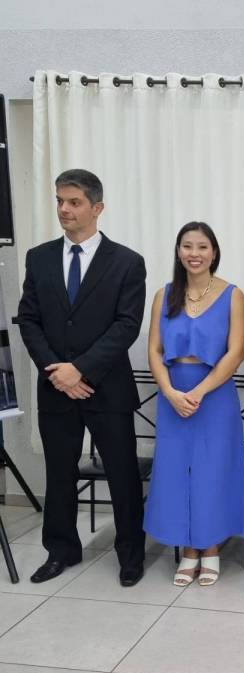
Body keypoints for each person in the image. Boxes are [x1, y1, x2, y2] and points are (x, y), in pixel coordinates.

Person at [17, 169, 146, 586]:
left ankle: (131, 555)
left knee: (123, 475)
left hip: (107, 388)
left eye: (73, 202)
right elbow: (29, 320)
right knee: (59, 475)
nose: (64, 209)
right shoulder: (38, 258)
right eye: (59, 200)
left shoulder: (126, 262)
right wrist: (58, 372)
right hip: (56, 387)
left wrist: (80, 369)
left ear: (97, 207)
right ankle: (61, 551)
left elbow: (126, 326)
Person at [143, 222, 244, 586]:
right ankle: (188, 549)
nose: (194, 253)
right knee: (176, 472)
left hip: (214, 395)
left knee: (212, 470)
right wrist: (170, 392)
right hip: (172, 394)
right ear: (178, 252)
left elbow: (235, 353)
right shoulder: (164, 295)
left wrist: (200, 391)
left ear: (214, 252)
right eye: (187, 246)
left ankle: (211, 547)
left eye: (202, 246)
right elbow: (154, 350)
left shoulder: (233, 295)